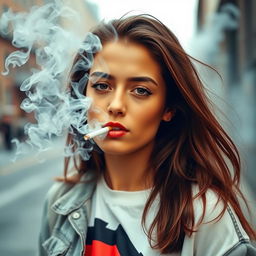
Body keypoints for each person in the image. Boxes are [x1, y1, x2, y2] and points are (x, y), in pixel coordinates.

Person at [38, 14, 256, 256]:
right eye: (102, 86)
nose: (116, 105)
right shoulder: (60, 203)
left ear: (168, 109)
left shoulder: (206, 214)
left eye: (140, 90)